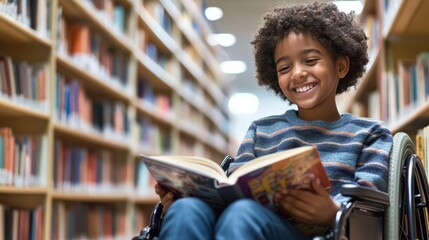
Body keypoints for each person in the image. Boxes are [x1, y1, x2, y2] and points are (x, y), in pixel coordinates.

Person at [154, 2, 393, 239]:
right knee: (186, 210)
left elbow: (370, 212)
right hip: (255, 227)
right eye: (284, 67)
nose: (297, 73)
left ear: (341, 66)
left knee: (243, 214)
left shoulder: (370, 134)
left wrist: (332, 213)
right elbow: (231, 193)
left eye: (310, 61)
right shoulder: (261, 131)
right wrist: (184, 196)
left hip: (326, 233)